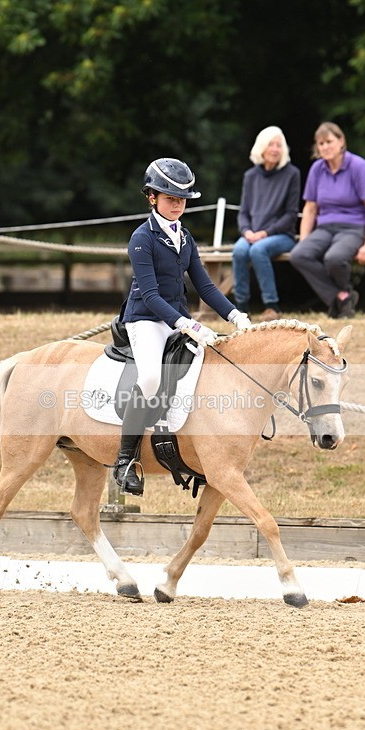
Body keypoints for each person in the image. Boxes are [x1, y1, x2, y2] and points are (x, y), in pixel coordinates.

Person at [113, 157, 252, 496]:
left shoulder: (185, 238)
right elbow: (150, 293)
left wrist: (235, 316)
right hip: (145, 319)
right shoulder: (141, 239)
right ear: (152, 198)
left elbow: (204, 287)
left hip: (175, 319)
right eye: (170, 198)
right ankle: (125, 459)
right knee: (149, 377)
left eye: (182, 199)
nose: (177, 205)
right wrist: (189, 324)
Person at [289, 121, 365, 318]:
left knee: (334, 258)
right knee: (299, 255)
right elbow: (310, 207)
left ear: (341, 141)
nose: (325, 147)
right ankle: (342, 296)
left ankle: (341, 300)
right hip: (325, 228)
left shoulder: (358, 166)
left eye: (329, 141)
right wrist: (305, 238)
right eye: (320, 144)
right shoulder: (317, 169)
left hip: (354, 227)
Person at [231, 126, 300, 322]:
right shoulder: (250, 176)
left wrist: (264, 233)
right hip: (252, 235)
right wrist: (246, 231)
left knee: (257, 250)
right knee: (239, 250)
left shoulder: (292, 174)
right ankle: (241, 308)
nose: (275, 149)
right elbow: (243, 212)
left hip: (282, 235)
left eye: (279, 145)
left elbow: (291, 214)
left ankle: (272, 306)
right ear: (261, 147)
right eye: (271, 144)